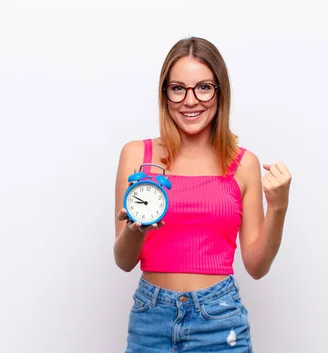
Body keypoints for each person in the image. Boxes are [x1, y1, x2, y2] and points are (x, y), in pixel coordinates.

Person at [113, 36, 292, 353]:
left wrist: (278, 208)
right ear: (165, 94)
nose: (190, 100)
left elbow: (256, 266)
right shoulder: (138, 155)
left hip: (219, 319)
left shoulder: (242, 164)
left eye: (204, 87)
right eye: (178, 88)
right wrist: (134, 228)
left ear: (220, 92)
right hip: (151, 318)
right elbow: (124, 261)